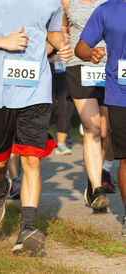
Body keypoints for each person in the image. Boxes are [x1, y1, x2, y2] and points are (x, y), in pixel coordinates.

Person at [0, 0, 72, 255]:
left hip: (37, 91)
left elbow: (51, 30)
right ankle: (0, 189)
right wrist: (2, 42)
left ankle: (27, 230)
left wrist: (61, 44)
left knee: (32, 160)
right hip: (0, 94)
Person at [75, 0, 126, 237]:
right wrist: (91, 53)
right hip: (120, 95)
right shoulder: (106, 10)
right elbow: (81, 47)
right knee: (125, 160)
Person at [62, 0, 115, 205]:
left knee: (104, 130)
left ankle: (97, 171)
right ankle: (96, 188)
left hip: (109, 64)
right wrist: (63, 40)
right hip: (78, 64)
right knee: (91, 127)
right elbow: (62, 26)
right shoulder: (67, 0)